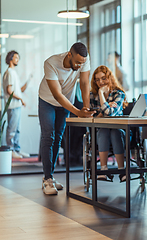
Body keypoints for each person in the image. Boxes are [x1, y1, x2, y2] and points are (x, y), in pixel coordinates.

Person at [38, 42, 94, 195]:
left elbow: (84, 83)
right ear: (69, 54)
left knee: (58, 137)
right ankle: (47, 179)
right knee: (48, 136)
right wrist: (77, 111)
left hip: (65, 102)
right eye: (77, 62)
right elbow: (57, 94)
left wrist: (86, 109)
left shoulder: (84, 60)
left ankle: (51, 177)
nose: (79, 65)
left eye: (82, 63)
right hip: (47, 101)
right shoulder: (51, 63)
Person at [90, 65, 128, 182]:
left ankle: (122, 170)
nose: (100, 82)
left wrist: (103, 109)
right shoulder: (93, 95)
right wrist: (104, 100)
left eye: (103, 78)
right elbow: (94, 116)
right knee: (103, 130)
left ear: (110, 78)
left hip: (120, 130)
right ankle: (103, 169)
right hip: (101, 132)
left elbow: (109, 114)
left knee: (115, 132)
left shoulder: (119, 93)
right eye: (97, 80)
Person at [2, 50, 30, 159]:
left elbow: (18, 90)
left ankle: (16, 149)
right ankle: (11, 149)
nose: (18, 60)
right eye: (16, 57)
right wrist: (21, 99)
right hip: (13, 105)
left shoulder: (13, 72)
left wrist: (28, 82)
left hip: (16, 105)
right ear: (10, 58)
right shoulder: (9, 72)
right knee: (12, 129)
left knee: (17, 129)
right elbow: (9, 90)